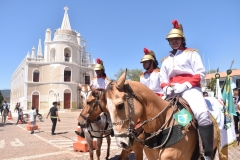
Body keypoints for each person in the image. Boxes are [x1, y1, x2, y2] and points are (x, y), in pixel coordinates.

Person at [160, 20, 213, 159]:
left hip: (189, 89)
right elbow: (163, 79)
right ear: (168, 42)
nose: (174, 41)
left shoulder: (191, 54)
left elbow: (200, 73)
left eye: (177, 39)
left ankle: (207, 154)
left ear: (182, 40)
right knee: (155, 112)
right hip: (172, 91)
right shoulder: (165, 60)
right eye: (171, 40)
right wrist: (165, 88)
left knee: (202, 114)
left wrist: (186, 85)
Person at [75, 58, 110, 137]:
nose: (97, 72)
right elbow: (91, 88)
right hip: (94, 99)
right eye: (96, 70)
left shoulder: (106, 79)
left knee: (109, 111)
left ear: (102, 70)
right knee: (84, 111)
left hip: (103, 98)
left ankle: (111, 128)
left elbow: (108, 89)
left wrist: (99, 92)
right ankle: (82, 131)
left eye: (98, 70)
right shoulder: (93, 79)